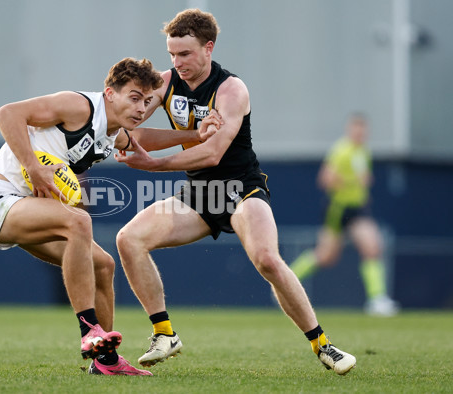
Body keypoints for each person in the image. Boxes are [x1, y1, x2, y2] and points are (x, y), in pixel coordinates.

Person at [114, 9, 356, 375]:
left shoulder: (231, 90)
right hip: (200, 193)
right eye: (171, 54)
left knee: (267, 260)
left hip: (241, 188)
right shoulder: (164, 83)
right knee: (128, 239)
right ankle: (164, 334)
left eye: (185, 54)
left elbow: (212, 154)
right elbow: (130, 131)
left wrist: (155, 164)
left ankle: (323, 344)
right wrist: (121, 133)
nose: (176, 63)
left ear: (208, 48)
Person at [0, 57, 213, 376]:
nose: (141, 107)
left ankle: (105, 361)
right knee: (79, 221)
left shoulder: (112, 133)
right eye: (134, 97)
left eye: (146, 100)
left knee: (103, 264)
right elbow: (7, 113)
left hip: (27, 208)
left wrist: (197, 134)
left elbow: (141, 140)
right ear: (111, 94)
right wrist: (32, 167)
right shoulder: (80, 107)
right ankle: (90, 331)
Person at [289, 113, 399, 316]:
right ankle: (287, 281)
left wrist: (363, 194)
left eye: (363, 129)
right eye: (357, 128)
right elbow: (325, 180)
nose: (360, 133)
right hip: (338, 209)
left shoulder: (364, 152)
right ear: (350, 129)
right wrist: (352, 183)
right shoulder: (341, 150)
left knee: (373, 248)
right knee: (326, 256)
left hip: (358, 209)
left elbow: (364, 181)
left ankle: (377, 300)